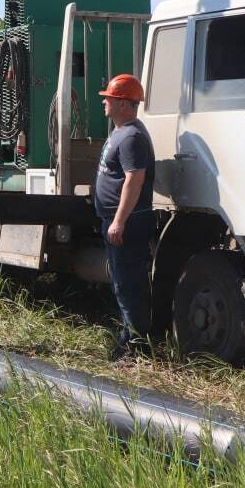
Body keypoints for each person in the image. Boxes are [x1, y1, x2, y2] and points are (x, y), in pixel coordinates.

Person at [93, 74, 156, 361]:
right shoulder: (122, 131)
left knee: (129, 285)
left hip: (128, 224)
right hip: (118, 220)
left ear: (122, 103)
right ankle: (129, 341)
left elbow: (134, 180)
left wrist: (118, 221)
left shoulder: (131, 136)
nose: (104, 102)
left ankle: (136, 350)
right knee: (123, 283)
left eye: (108, 98)